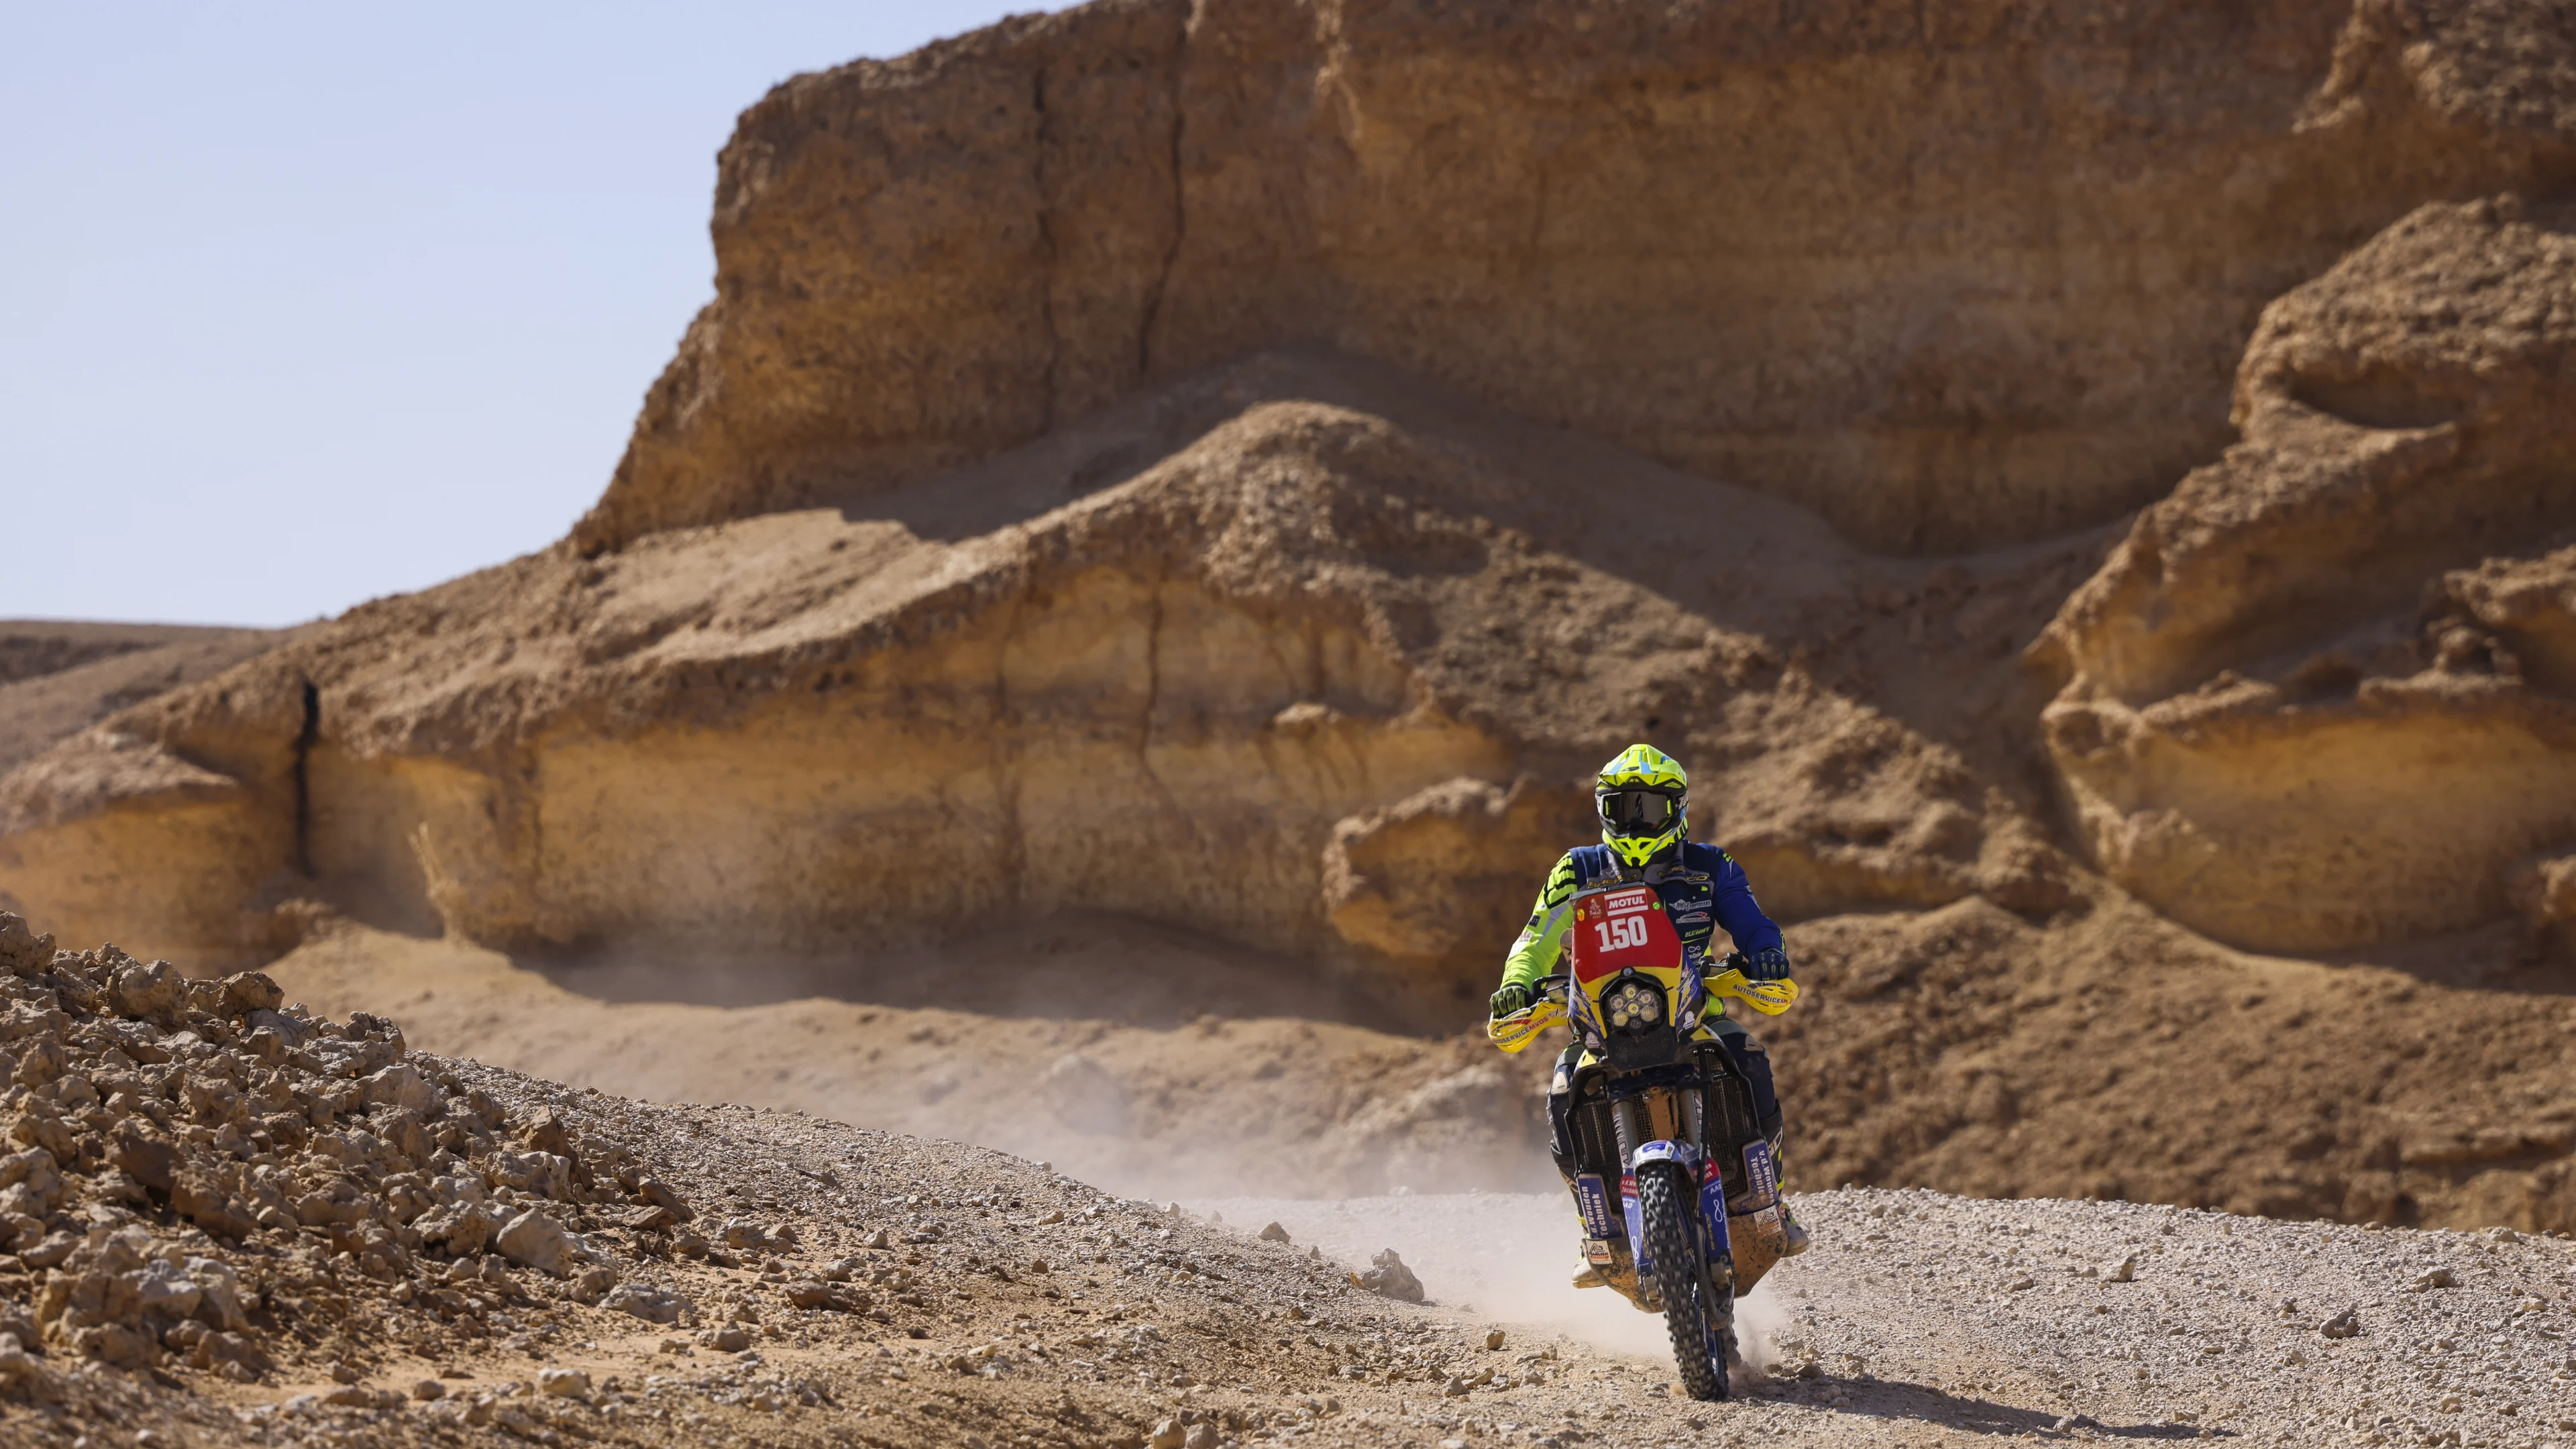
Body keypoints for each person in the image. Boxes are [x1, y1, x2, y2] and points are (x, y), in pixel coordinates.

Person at [1488, 743, 1810, 1278]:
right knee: (1563, 1097)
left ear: (1677, 809)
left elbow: (1753, 922)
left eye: (1650, 808)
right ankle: (1596, 1231)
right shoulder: (1577, 870)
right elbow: (1535, 940)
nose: (1637, 821)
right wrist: (1517, 986)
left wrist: (1767, 954)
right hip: (1600, 1025)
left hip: (1693, 1014)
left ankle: (1773, 1199)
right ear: (1603, 811)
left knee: (1751, 1062)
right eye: (1624, 808)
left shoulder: (1711, 866)